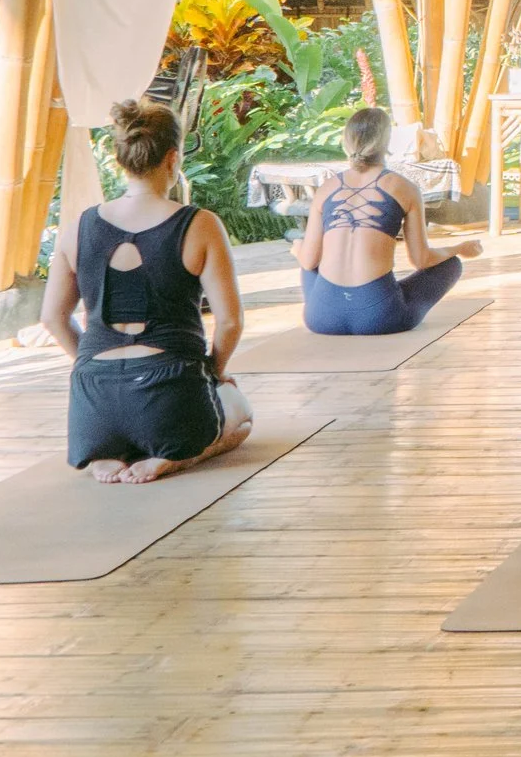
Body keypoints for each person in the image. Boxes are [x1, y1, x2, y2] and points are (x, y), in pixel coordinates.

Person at [39, 98, 255, 484]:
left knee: (122, 420)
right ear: (173, 159)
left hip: (93, 399)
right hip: (170, 388)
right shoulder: (199, 225)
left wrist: (89, 363)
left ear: (121, 159)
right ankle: (177, 457)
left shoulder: (78, 227)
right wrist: (213, 373)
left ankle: (104, 454)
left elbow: (52, 318)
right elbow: (230, 321)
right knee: (241, 416)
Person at [295, 106, 481, 335]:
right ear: (386, 143)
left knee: (307, 259)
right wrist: (459, 248)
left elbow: (307, 261)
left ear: (347, 142)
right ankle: (377, 298)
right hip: (381, 318)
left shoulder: (326, 189)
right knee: (450, 264)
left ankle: (350, 302)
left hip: (321, 319)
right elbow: (422, 259)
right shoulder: (404, 188)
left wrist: (298, 249)